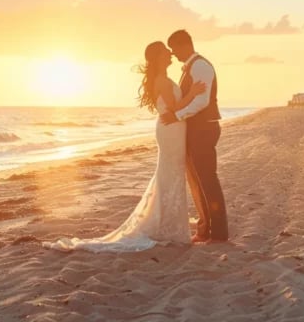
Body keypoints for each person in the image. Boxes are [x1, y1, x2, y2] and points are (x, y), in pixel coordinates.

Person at [43, 42, 206, 252]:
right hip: (170, 130)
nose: (170, 52)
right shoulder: (162, 81)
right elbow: (174, 108)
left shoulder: (163, 79)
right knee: (170, 173)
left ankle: (171, 223)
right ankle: (168, 225)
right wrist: (193, 93)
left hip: (173, 129)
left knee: (171, 174)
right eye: (166, 51)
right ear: (158, 57)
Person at [159, 29, 228, 243]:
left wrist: (176, 116)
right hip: (195, 129)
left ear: (183, 45)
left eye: (174, 49)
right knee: (197, 180)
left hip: (204, 128)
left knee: (207, 178)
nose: (173, 54)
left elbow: (202, 101)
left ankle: (218, 233)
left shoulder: (200, 66)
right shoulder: (190, 67)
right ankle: (205, 228)